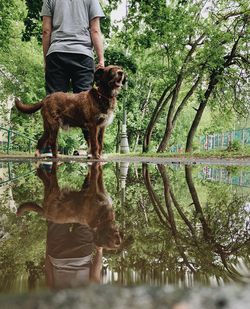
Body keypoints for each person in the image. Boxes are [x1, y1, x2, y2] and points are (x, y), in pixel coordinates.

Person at [40, 0, 105, 156]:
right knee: (89, 106)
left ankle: (48, 149)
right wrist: (101, 59)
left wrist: (46, 58)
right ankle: (92, 149)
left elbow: (46, 31)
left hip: (57, 53)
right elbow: (95, 30)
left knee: (53, 103)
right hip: (83, 55)